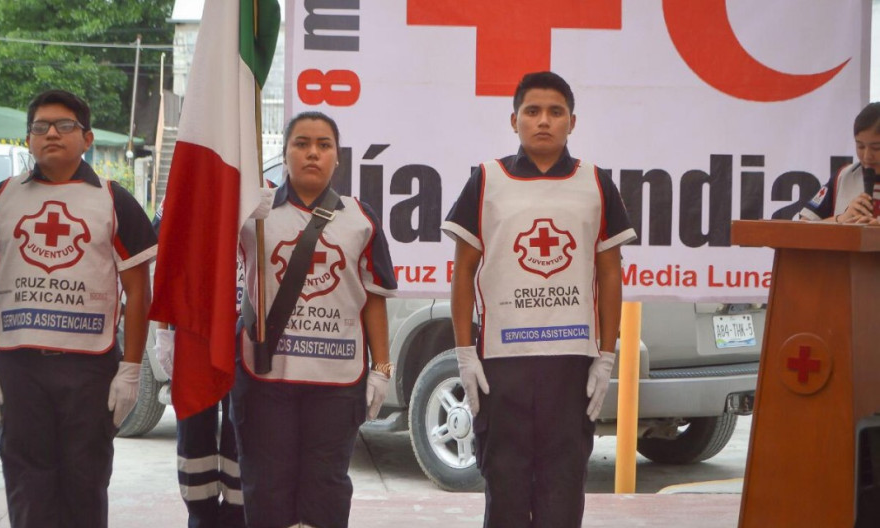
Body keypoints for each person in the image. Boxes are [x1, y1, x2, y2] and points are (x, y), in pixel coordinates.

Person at [442, 71, 637, 528]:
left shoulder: (596, 182)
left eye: (555, 112)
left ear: (573, 121)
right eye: (532, 111)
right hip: (502, 364)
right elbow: (464, 271)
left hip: (570, 363)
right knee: (505, 488)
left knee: (563, 489)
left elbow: (610, 274)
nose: (543, 121)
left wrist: (607, 355)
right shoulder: (487, 180)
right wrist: (464, 352)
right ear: (514, 121)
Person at [0, 89, 157, 528]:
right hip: (19, 369)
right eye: (40, 126)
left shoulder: (113, 200)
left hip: (89, 372)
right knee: (28, 488)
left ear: (87, 138)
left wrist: (129, 370)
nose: (51, 133)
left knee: (85, 486)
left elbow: (138, 291)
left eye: (65, 125)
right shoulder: (1, 199)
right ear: (27, 140)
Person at [231, 111, 397, 528]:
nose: (312, 153)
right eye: (301, 143)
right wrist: (237, 210)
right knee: (266, 487)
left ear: (337, 158)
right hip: (266, 379)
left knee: (326, 488)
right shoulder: (253, 213)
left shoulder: (361, 218)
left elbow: (374, 299)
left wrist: (382, 369)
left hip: (336, 382)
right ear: (284, 153)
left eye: (324, 145)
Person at [151, 204, 245, 528]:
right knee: (194, 443)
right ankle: (201, 519)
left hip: (246, 341)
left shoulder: (267, 196)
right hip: (194, 336)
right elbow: (165, 264)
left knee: (242, 440)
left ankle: (236, 519)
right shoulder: (186, 193)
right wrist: (164, 332)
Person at [799, 102, 880, 224]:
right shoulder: (844, 176)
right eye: (860, 146)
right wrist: (842, 219)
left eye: (876, 148)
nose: (867, 156)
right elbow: (803, 227)